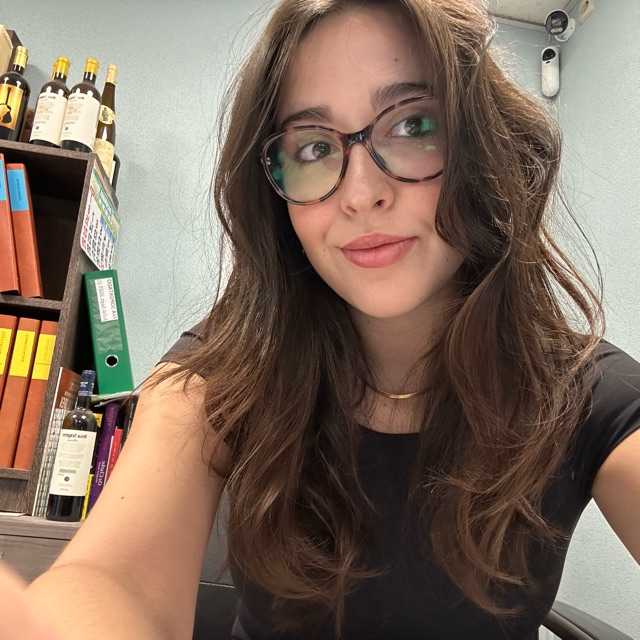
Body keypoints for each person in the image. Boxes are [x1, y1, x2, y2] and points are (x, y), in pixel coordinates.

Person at [1, 1, 639, 639]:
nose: (360, 194)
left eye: (413, 124)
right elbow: (115, 581)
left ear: (484, 147)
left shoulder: (584, 392)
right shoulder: (227, 368)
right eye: (314, 146)